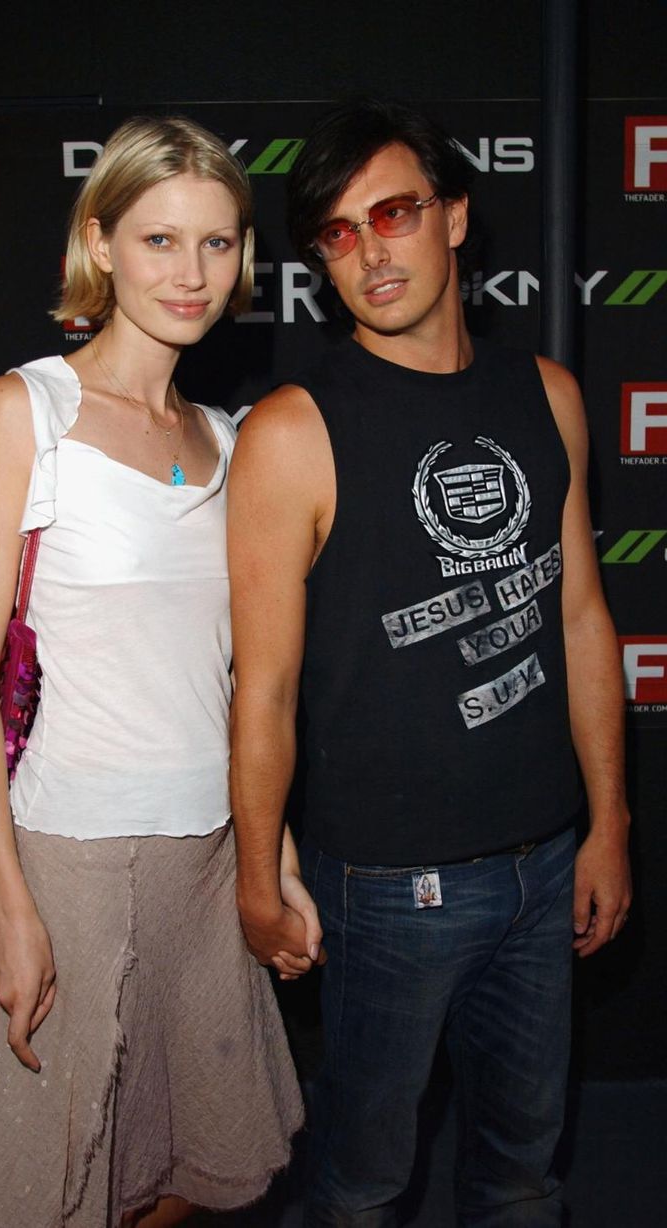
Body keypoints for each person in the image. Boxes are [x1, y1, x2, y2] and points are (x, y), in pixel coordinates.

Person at [227, 98, 632, 1227]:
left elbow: (580, 617)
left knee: (522, 1176)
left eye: (393, 213)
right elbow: (262, 689)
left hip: (545, 861)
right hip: (386, 889)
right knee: (361, 1188)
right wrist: (257, 879)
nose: (369, 251)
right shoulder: (291, 431)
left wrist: (607, 822)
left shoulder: (547, 395)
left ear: (453, 217)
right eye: (337, 233)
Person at [0, 115, 317, 1228]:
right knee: (42, 1186)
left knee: (185, 1166)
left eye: (216, 242)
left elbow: (241, 682)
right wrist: (8, 906)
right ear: (99, 244)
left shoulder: (232, 441)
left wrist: (276, 856)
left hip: (211, 858)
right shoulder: (28, 411)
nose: (191, 273)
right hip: (74, 861)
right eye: (159, 240)